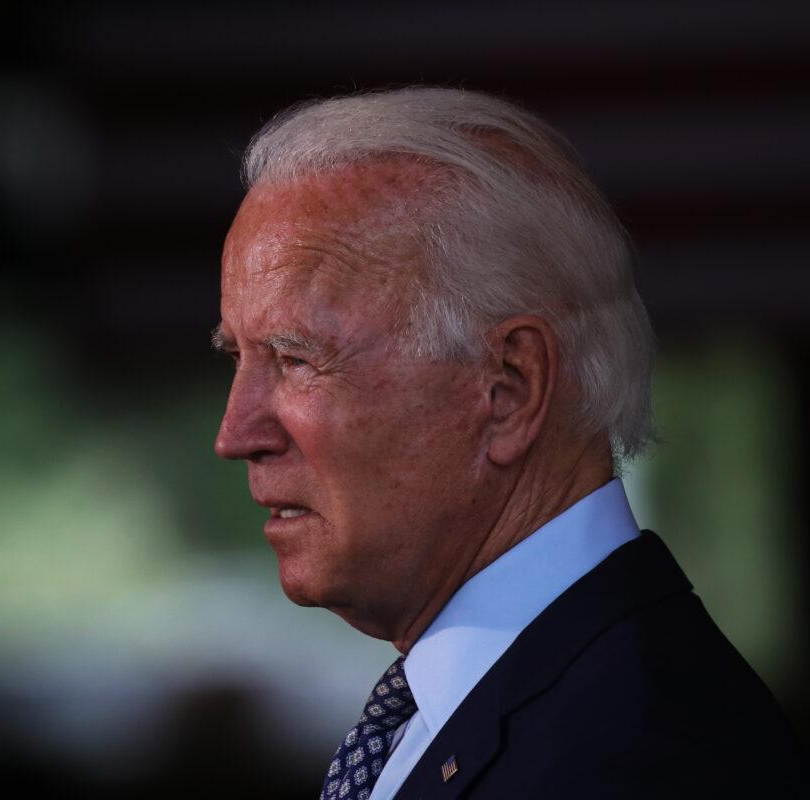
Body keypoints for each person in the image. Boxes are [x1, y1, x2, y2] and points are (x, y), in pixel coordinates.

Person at [212, 88, 801, 799]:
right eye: (235, 358)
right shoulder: (541, 703)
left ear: (510, 389)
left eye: (296, 359)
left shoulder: (643, 758)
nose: (235, 434)